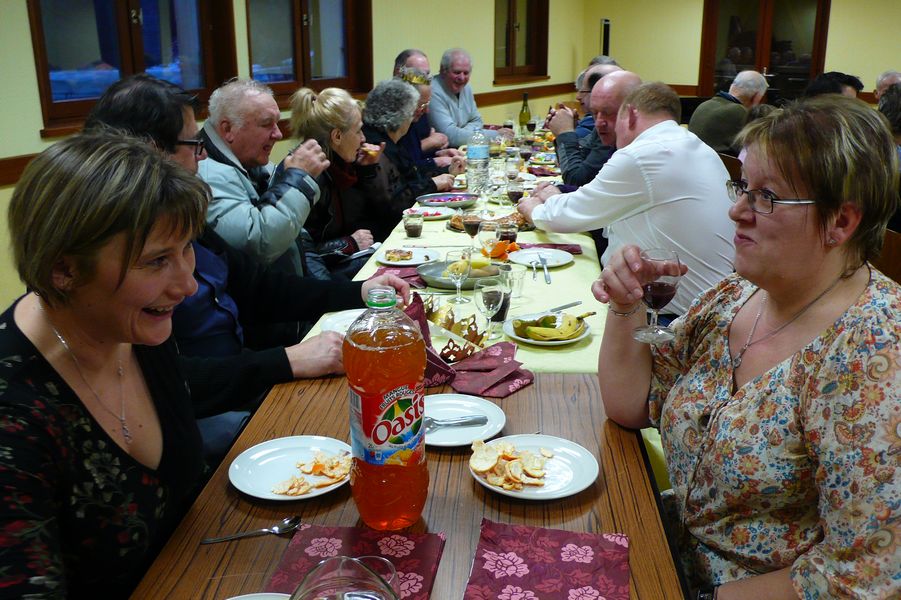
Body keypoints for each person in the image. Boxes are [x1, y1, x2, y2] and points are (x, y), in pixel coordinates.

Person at [593, 95, 900, 597]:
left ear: (841, 222)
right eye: (742, 187)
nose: (736, 210)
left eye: (766, 197)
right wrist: (625, 304)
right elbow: (632, 405)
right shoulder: (737, 296)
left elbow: (864, 576)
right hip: (665, 545)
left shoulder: (873, 353)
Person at [85, 75, 412, 460]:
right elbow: (167, 379)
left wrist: (358, 291)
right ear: (147, 152)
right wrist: (286, 361)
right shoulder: (112, 251)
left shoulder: (181, 218)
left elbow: (258, 286)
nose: (203, 155)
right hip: (207, 413)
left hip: (239, 380)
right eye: (195, 144)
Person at [0, 131, 209, 597]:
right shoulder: (15, 411)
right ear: (64, 270)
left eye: (186, 249)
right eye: (156, 261)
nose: (187, 284)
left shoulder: (133, 326)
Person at [519, 82, 735, 316]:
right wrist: (557, 196)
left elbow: (565, 217)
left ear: (631, 114)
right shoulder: (691, 145)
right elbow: (603, 203)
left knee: (543, 300)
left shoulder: (643, 154)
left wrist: (532, 209)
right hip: (712, 308)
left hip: (671, 319)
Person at [197, 78, 329, 277]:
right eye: (267, 124)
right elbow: (259, 243)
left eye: (277, 122)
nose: (277, 134)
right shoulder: (206, 175)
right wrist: (297, 180)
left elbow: (297, 237)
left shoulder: (255, 162)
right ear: (228, 129)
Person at [353, 79, 454, 241]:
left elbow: (412, 173)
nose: (416, 116)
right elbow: (395, 204)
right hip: (383, 236)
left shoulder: (391, 140)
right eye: (414, 111)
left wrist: (446, 171)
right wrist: (434, 183)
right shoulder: (376, 147)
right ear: (402, 116)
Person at [550, 70, 640, 187]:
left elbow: (577, 181)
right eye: (594, 113)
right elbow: (580, 166)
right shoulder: (604, 127)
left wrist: (565, 133)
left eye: (607, 112)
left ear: (632, 113)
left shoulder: (634, 149)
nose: (598, 123)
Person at [392, 49, 463, 172]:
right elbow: (402, 164)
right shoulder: (394, 108)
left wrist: (440, 154)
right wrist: (431, 146)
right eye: (418, 74)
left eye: (427, 74)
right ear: (399, 73)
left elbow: (417, 155)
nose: (424, 79)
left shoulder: (421, 102)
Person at [429, 48, 513, 147]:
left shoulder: (466, 87)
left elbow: (477, 121)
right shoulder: (432, 91)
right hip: (441, 155)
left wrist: (461, 133)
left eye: (466, 73)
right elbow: (451, 137)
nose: (462, 78)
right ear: (443, 70)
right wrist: (496, 134)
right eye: (457, 72)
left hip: (465, 150)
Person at [688, 70, 768, 155]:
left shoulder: (704, 105)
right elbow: (751, 152)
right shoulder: (740, 113)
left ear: (732, 86)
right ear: (756, 97)